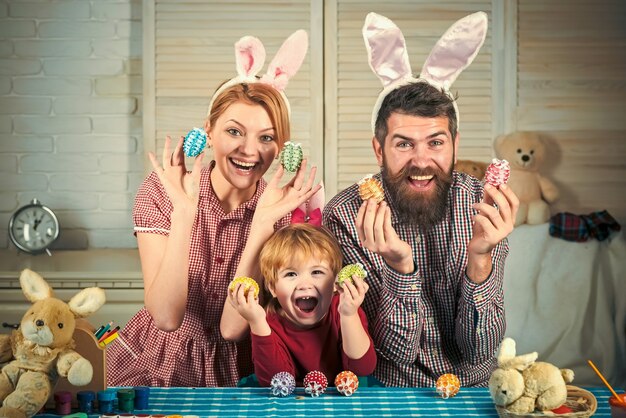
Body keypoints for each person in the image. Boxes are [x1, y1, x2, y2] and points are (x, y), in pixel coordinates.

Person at [106, 30, 316, 387]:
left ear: (280, 146)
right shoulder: (162, 190)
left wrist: (263, 224)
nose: (250, 151)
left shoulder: (283, 213)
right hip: (155, 360)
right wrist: (185, 213)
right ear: (210, 130)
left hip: (238, 372)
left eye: (266, 138)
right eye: (234, 132)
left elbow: (232, 329)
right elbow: (166, 316)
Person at [323, 12, 519, 387]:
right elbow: (390, 355)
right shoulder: (346, 216)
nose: (421, 161)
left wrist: (480, 259)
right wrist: (400, 268)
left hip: (474, 386)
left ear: (455, 146)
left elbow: (481, 350)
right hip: (391, 388)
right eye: (403, 144)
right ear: (378, 150)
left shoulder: (483, 204)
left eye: (436, 142)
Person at [224, 223, 376, 387]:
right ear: (273, 288)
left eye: (317, 272)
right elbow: (275, 381)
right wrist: (257, 322)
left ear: (335, 283)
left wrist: (349, 315)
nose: (305, 284)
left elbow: (362, 368)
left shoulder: (345, 308)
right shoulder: (268, 322)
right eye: (291, 274)